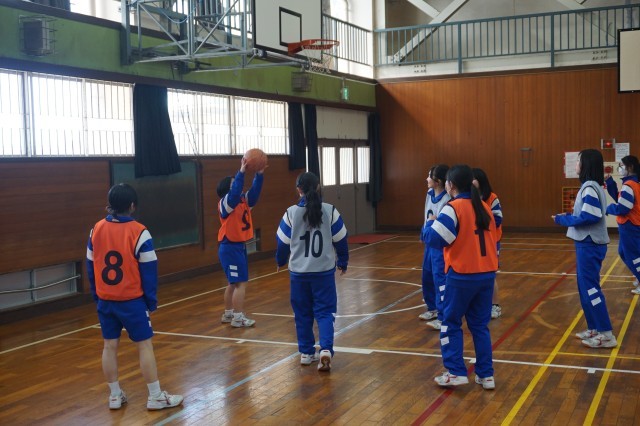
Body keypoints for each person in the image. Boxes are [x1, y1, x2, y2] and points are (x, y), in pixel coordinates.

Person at [86, 183, 183, 410]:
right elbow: (149, 270)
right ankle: (155, 396)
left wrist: (96, 295)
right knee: (144, 345)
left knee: (109, 346)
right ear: (132, 205)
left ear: (110, 204)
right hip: (131, 300)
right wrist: (150, 301)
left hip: (105, 300)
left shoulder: (96, 229)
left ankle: (114, 396)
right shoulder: (139, 231)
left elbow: (90, 265)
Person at [423, 164, 498, 390]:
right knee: (480, 326)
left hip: (463, 275)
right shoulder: (484, 207)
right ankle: (486, 375)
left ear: (451, 185)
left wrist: (430, 223)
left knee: (450, 323)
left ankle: (455, 371)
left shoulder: (453, 207)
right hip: (486, 274)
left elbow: (435, 239)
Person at [275, 172, 349, 372]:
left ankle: (306, 353)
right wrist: (343, 261)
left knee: (302, 314)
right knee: (325, 312)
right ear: (318, 187)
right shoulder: (330, 210)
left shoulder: (291, 213)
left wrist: (280, 261)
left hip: (298, 274)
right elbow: (341, 239)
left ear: (298, 190)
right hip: (323, 273)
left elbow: (282, 243)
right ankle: (325, 349)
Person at [553, 149, 617, 348]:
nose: (576, 164)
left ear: (586, 164)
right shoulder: (590, 187)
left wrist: (564, 220)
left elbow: (590, 216)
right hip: (585, 244)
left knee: (591, 289)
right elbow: (586, 213)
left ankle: (606, 334)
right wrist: (568, 216)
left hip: (590, 244)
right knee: (584, 289)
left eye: (578, 161)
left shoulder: (590, 187)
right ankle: (594, 327)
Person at [217, 156, 265, 328]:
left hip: (237, 246)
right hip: (230, 247)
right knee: (240, 283)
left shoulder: (243, 202)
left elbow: (255, 192)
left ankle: (228, 314)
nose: (237, 185)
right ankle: (238, 318)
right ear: (227, 190)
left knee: (233, 283)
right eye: (233, 184)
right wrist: (242, 171)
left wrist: (259, 174)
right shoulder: (225, 203)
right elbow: (235, 192)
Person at [419, 164, 451, 330]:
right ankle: (432, 308)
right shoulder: (429, 194)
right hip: (429, 243)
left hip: (439, 244)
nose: (426, 179)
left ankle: (443, 316)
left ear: (438, 181)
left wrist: (432, 224)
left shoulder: (448, 199)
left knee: (440, 279)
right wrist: (423, 232)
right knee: (427, 276)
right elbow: (427, 215)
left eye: (429, 176)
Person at [604, 155, 640, 294]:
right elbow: (621, 199)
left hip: (630, 226)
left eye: (621, 165)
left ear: (630, 167)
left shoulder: (629, 185)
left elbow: (623, 208)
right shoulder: (632, 183)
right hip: (630, 226)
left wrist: (607, 208)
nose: (619, 168)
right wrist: (610, 182)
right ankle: (638, 276)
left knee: (633, 256)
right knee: (623, 252)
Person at [472, 168, 503, 319]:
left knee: (490, 275)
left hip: (491, 242)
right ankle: (479, 304)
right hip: (474, 242)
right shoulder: (468, 198)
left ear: (480, 180)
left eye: (473, 178)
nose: (471, 182)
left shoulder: (492, 197)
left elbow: (497, 219)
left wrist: (478, 222)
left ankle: (495, 305)